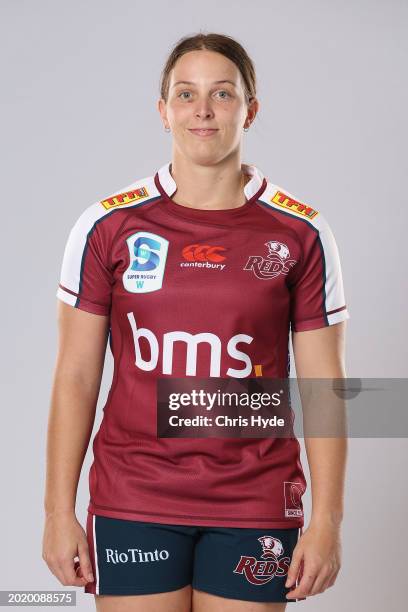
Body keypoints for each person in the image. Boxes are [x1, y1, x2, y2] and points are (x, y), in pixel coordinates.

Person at [42, 32, 349, 612]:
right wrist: (58, 512)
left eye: (223, 94)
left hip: (256, 498)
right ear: (163, 111)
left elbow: (326, 389)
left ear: (250, 110)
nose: (202, 110)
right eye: (185, 94)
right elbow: (76, 377)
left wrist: (328, 521)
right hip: (135, 494)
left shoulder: (301, 232)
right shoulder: (107, 227)